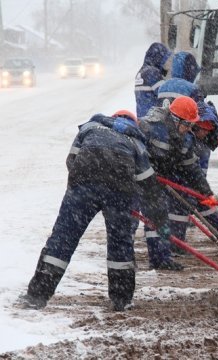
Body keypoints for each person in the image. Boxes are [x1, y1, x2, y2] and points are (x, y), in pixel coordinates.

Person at [20, 110, 170, 311]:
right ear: (133, 125)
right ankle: (122, 300)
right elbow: (149, 186)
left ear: (113, 118)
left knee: (62, 240)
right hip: (119, 193)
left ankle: (36, 296)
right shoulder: (137, 143)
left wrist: (83, 185)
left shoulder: (90, 127)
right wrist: (159, 221)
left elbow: (71, 160)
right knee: (120, 245)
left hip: (82, 187)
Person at [139, 96, 218, 268]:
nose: (189, 129)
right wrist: (147, 173)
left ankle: (161, 258)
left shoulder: (185, 139)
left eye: (192, 126)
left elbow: (192, 168)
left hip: (160, 179)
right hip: (139, 177)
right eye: (187, 125)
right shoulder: (150, 127)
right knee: (139, 217)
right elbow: (136, 153)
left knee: (160, 214)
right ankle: (134, 258)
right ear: (176, 119)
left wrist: (205, 193)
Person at [135, 42, 172, 118]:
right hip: (153, 119)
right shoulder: (153, 73)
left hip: (142, 119)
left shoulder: (141, 72)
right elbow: (165, 94)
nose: (165, 63)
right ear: (158, 58)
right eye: (164, 59)